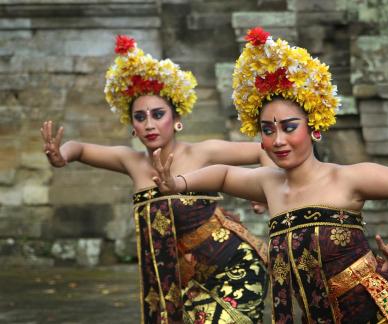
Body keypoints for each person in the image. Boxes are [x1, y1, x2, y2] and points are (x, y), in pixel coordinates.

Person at [152, 27, 388, 323]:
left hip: (376, 314)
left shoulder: (347, 179)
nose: (278, 140)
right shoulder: (270, 184)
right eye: (268, 130)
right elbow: (224, 175)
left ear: (313, 127)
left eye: (289, 127)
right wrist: (177, 183)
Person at [41, 35, 272, 324]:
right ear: (133, 128)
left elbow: (267, 150)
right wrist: (61, 155)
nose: (149, 124)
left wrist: (262, 193)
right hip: (179, 284)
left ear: (176, 118)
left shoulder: (203, 152)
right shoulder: (133, 162)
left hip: (233, 265)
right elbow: (80, 148)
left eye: (157, 114)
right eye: (140, 117)